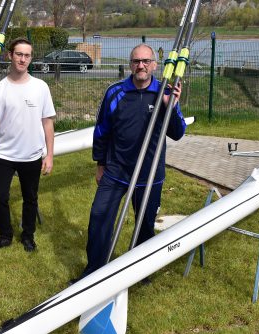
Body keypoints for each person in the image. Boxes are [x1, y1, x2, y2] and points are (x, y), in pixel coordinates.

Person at [71, 44, 187, 283]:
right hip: (116, 171)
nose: (141, 66)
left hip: (150, 174)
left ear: (154, 65)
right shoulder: (116, 92)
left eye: (146, 61)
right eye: (136, 61)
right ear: (130, 64)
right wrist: (100, 163)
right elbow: (102, 131)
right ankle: (94, 270)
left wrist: (171, 108)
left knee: (145, 225)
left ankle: (140, 270)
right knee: (100, 216)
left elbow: (177, 133)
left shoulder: (165, 93)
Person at [0, 38, 56, 252]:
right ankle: (5, 236)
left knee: (30, 198)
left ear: (31, 58)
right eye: (19, 54)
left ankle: (28, 236)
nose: (22, 59)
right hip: (4, 154)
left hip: (31, 155)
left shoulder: (40, 87)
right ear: (10, 55)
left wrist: (50, 155)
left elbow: (48, 123)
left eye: (27, 55)